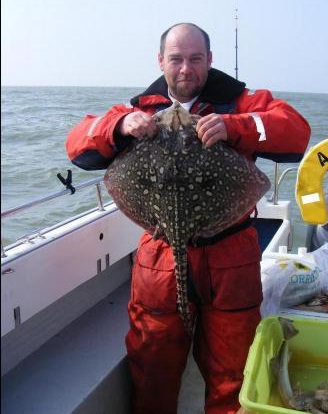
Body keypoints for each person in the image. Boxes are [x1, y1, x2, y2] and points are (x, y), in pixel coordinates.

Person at [66, 23, 311, 414]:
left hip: (230, 252)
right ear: (160, 61)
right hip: (160, 252)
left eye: (195, 59)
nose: (185, 69)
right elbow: (77, 143)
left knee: (233, 371)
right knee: (153, 363)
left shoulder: (240, 102)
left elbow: (297, 132)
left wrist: (235, 126)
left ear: (209, 61)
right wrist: (119, 126)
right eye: (176, 59)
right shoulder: (137, 109)